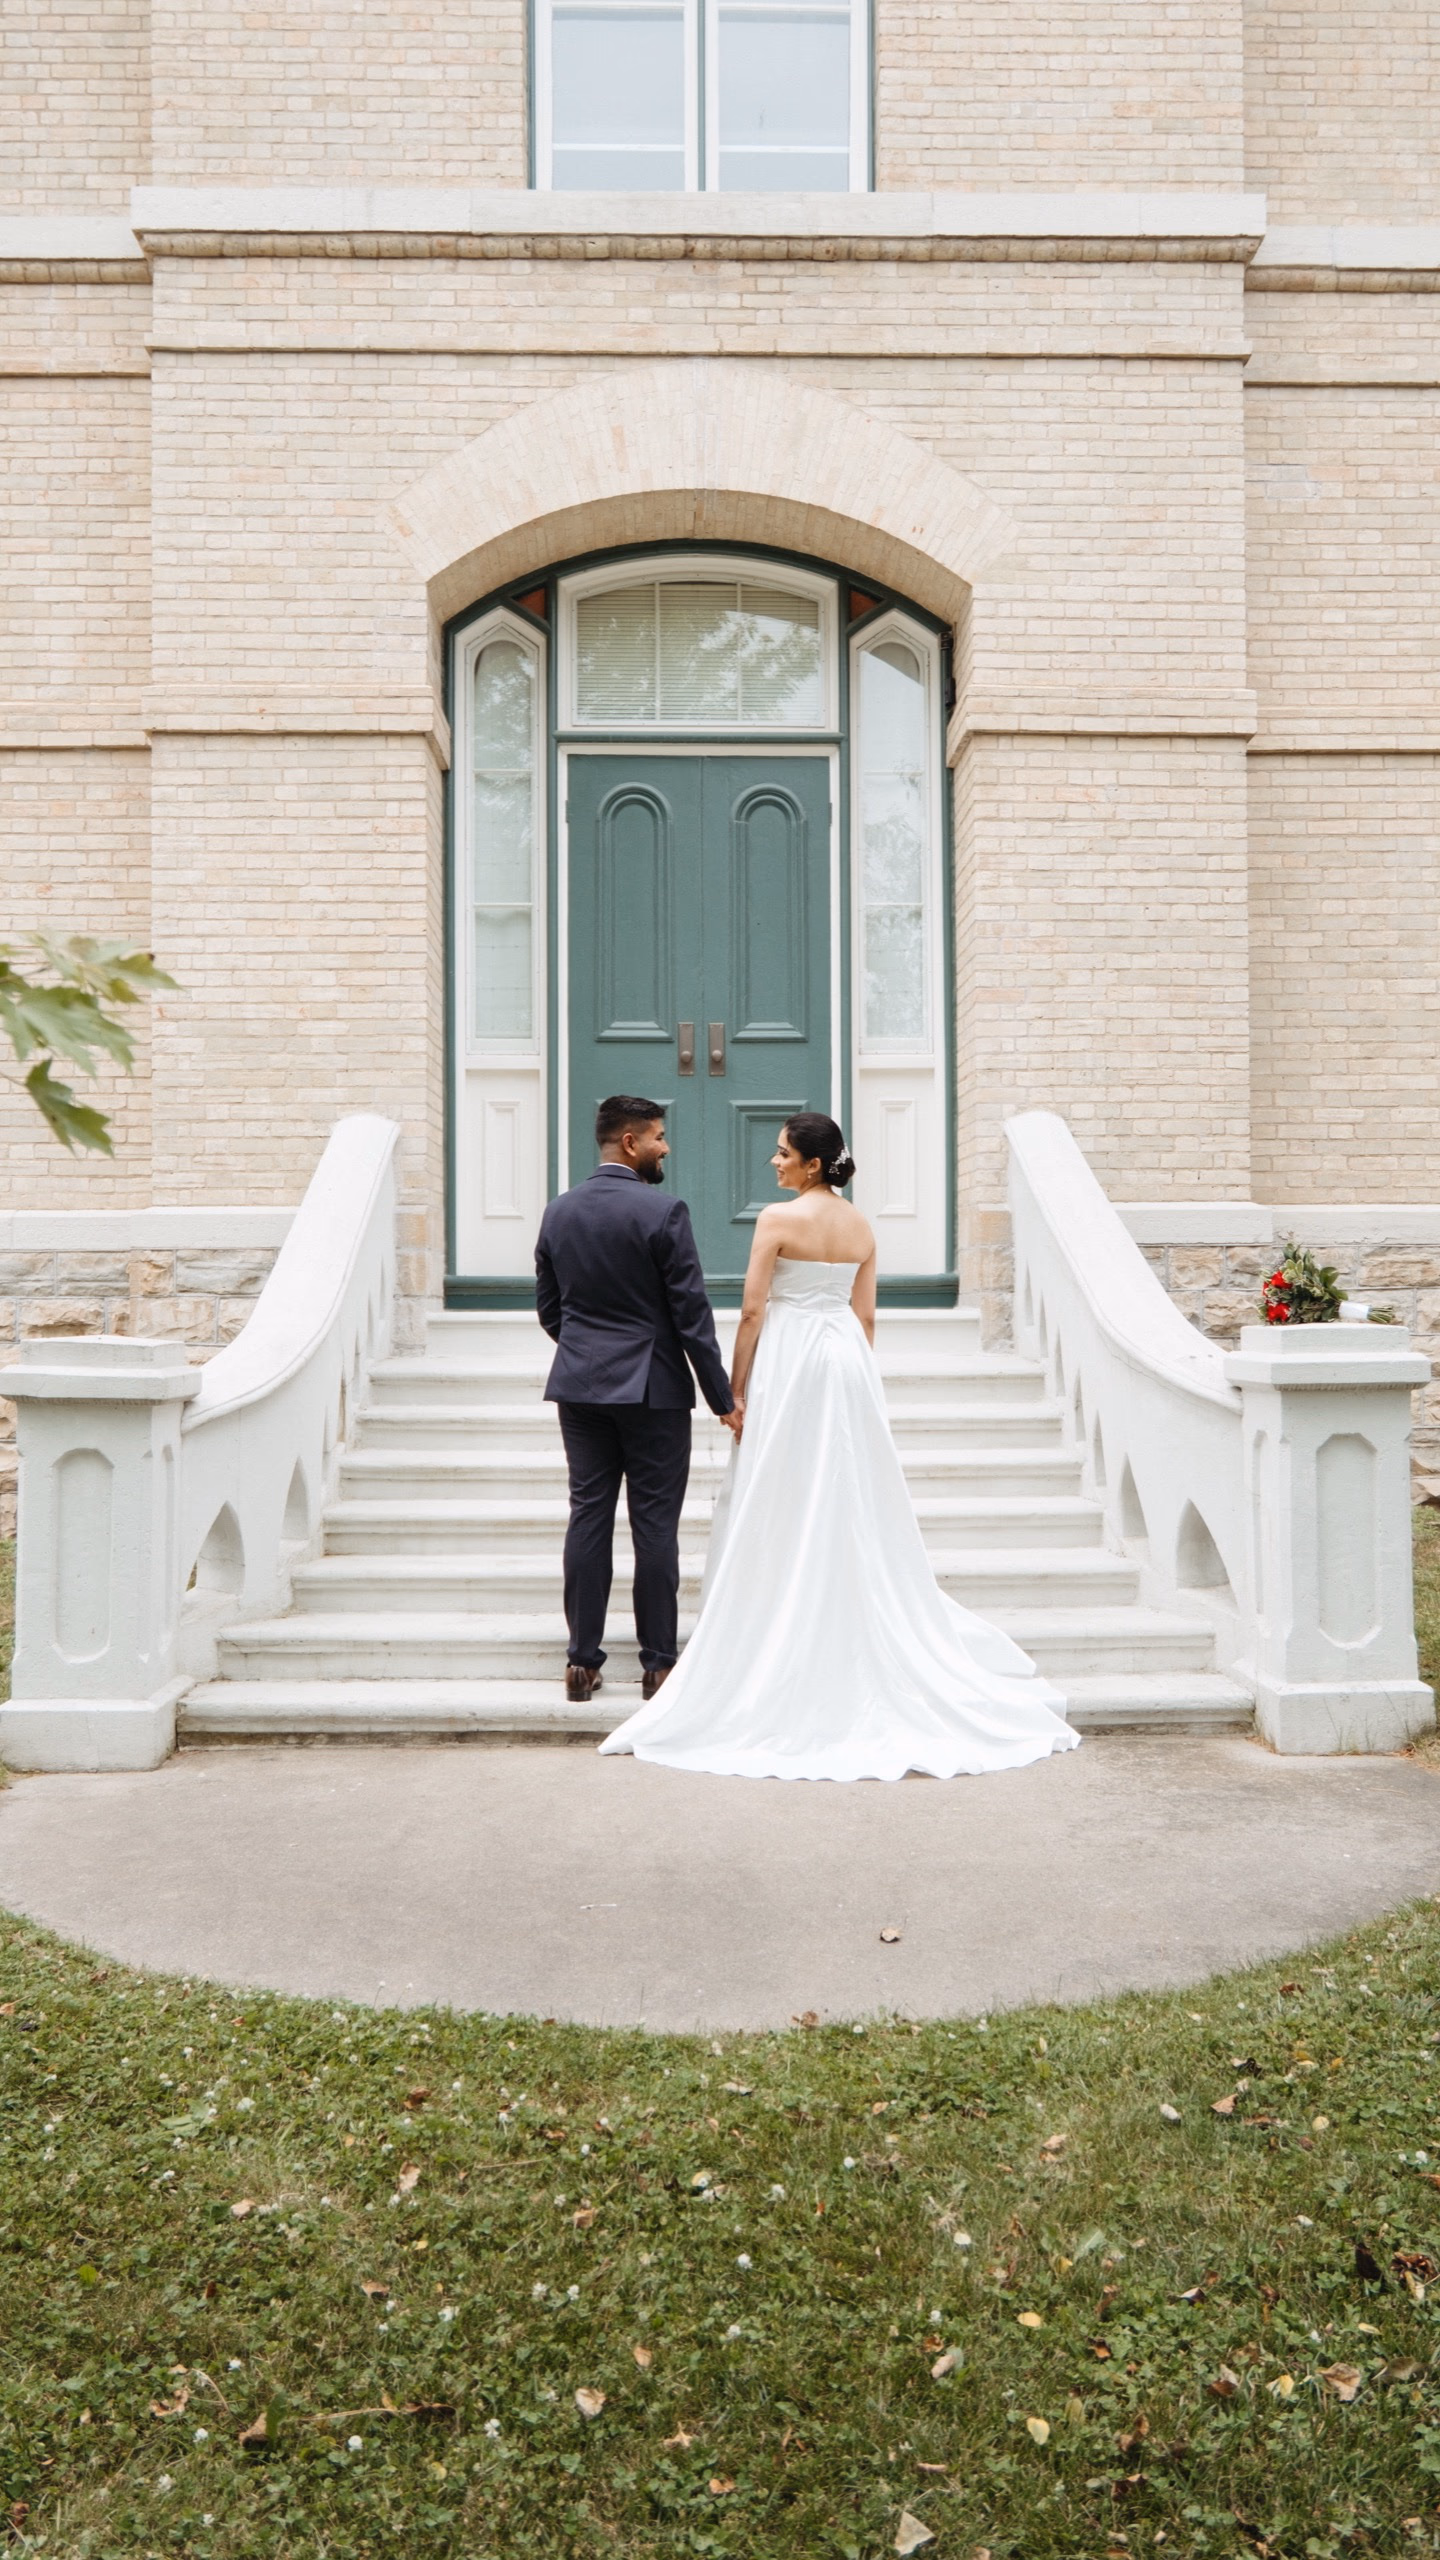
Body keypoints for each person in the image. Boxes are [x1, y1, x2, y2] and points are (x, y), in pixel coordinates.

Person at [600, 1112, 1079, 1781]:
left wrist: (734, 1391)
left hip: (793, 1359)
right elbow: (866, 1315)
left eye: (782, 1153)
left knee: (782, 1484)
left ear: (813, 1164)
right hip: (845, 1362)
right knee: (847, 1486)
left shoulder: (776, 1220)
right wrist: (861, 1380)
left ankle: (778, 1612)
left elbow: (755, 1311)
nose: (774, 1163)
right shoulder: (861, 1227)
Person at [535, 1095, 740, 1705]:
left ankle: (581, 1663)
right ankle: (657, 1667)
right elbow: (690, 1315)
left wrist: (584, 1352)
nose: (665, 1148)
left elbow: (551, 1309)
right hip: (652, 1390)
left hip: (580, 1387)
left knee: (589, 1516)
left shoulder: (558, 1212)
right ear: (630, 1142)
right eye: (657, 1137)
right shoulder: (663, 1211)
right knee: (655, 1525)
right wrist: (722, 1396)